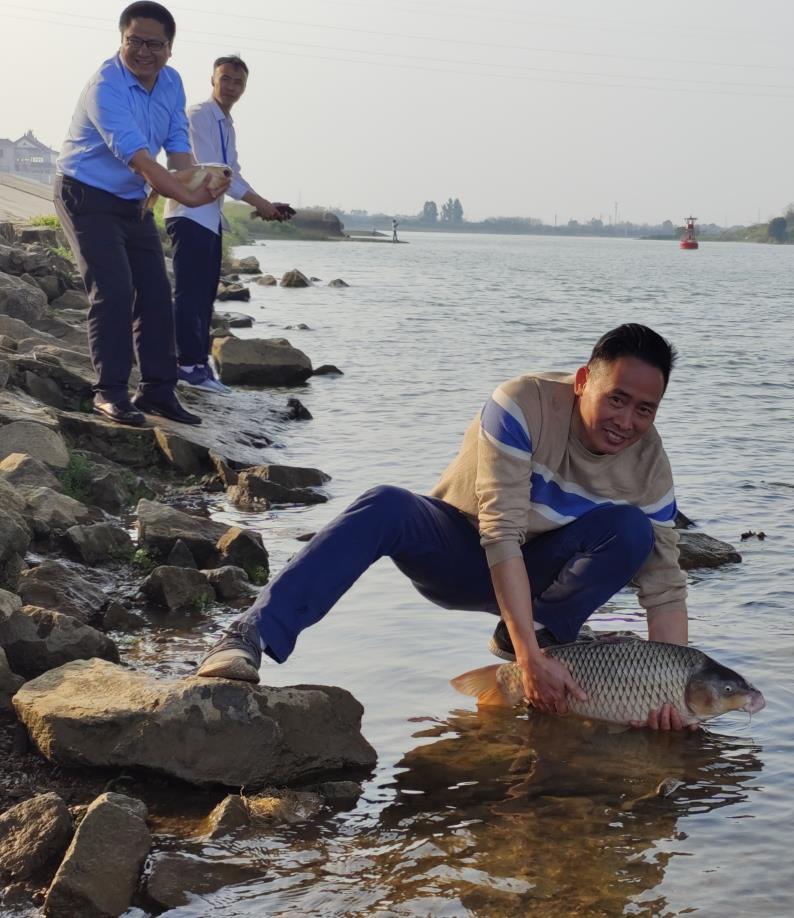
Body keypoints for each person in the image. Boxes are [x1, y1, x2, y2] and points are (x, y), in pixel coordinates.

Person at [198, 323, 695, 729]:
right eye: (617, 399)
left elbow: (665, 587)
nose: (626, 421)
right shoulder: (522, 404)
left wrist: (676, 695)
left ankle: (538, 633)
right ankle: (248, 637)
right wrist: (527, 662)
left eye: (644, 409)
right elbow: (500, 532)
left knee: (633, 530)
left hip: (541, 572)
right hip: (460, 549)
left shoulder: (649, 467)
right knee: (384, 504)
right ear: (584, 379)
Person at [54, 2, 230, 427]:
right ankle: (109, 393)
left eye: (155, 44)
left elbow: (175, 145)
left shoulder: (171, 82)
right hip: (85, 195)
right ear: (122, 40)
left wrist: (197, 180)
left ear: (170, 48)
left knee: (154, 293)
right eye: (135, 41)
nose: (144, 51)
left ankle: (157, 392)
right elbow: (141, 161)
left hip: (132, 200)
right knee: (113, 290)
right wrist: (186, 199)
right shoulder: (106, 87)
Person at [165, 54, 293, 395]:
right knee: (190, 293)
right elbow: (216, 170)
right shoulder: (199, 116)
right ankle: (184, 365)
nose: (231, 87)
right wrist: (261, 204)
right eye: (226, 79)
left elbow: (231, 173)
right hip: (188, 213)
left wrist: (266, 204)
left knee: (204, 294)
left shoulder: (227, 124)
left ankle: (198, 364)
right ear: (212, 80)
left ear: (244, 87)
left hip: (209, 218)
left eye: (238, 82)